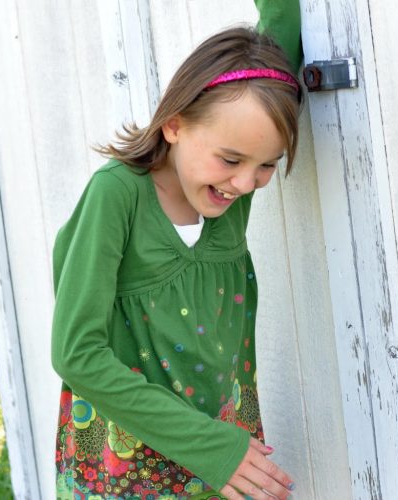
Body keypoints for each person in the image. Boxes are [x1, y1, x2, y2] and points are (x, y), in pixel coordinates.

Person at [51, 3, 303, 499]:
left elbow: (281, 35)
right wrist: (212, 447)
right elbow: (76, 352)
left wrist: (218, 450)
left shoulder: (224, 195)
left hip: (219, 462)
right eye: (231, 159)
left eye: (265, 167)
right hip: (126, 475)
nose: (245, 183)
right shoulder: (117, 195)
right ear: (174, 124)